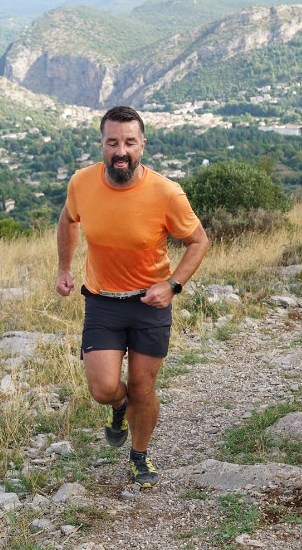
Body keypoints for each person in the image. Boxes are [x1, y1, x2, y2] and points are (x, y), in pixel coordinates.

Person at [56, 106, 209, 488]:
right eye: (112, 142)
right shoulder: (82, 182)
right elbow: (68, 220)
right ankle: (119, 406)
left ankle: (139, 455)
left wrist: (173, 285)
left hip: (149, 305)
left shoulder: (166, 192)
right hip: (103, 301)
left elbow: (198, 241)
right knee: (103, 389)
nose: (120, 151)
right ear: (102, 145)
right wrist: (64, 268)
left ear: (142, 144)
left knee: (143, 387)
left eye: (129, 142)